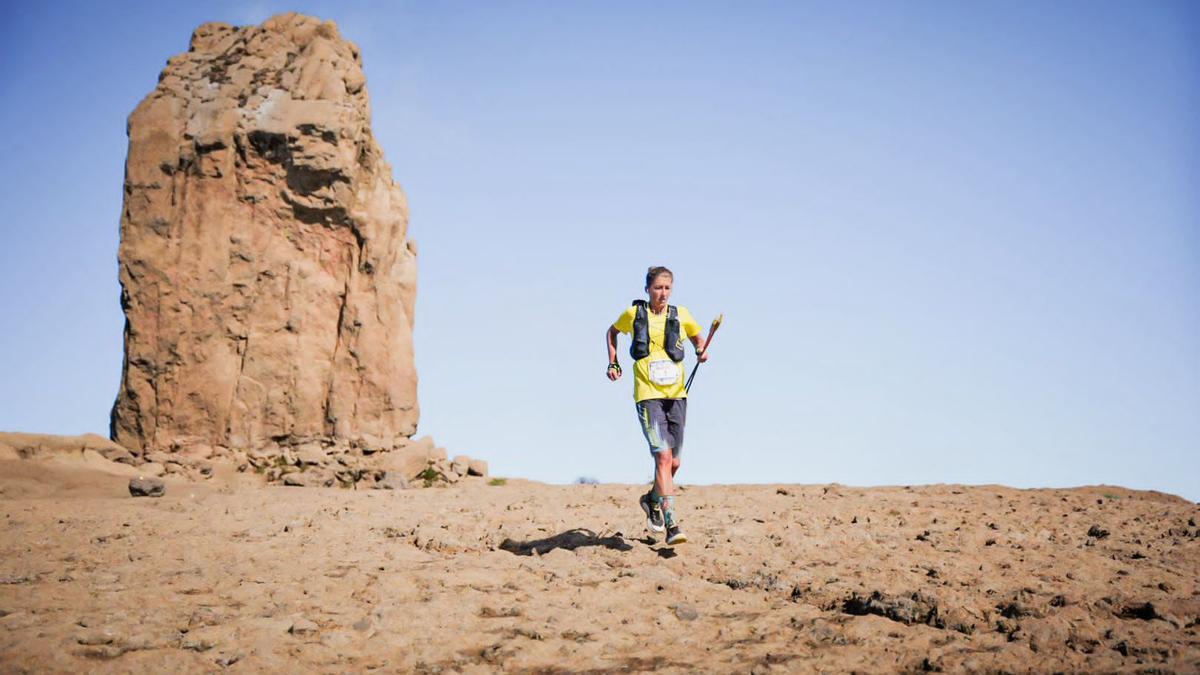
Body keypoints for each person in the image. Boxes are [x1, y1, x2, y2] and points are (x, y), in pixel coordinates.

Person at [606, 266, 708, 545]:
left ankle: (651, 500)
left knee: (674, 462)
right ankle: (671, 523)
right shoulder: (633, 315)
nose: (663, 293)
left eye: (667, 288)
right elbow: (612, 333)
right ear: (647, 289)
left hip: (677, 395)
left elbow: (698, 339)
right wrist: (613, 362)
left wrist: (701, 350)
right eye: (657, 288)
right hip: (647, 395)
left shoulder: (681, 315)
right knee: (662, 458)